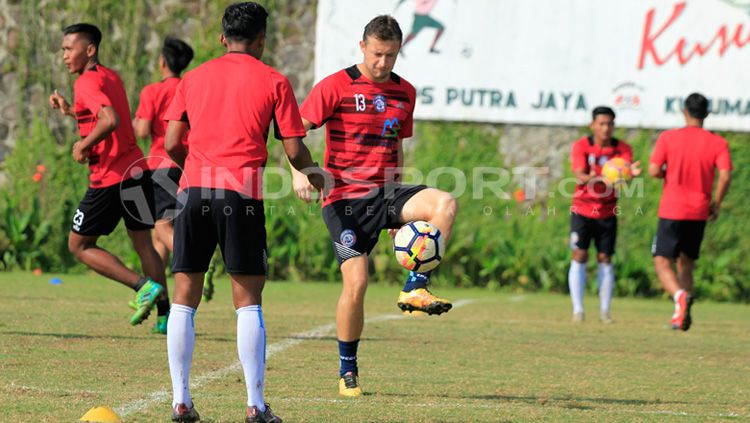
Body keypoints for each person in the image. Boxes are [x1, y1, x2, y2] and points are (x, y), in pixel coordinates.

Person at [163, 3, 324, 422]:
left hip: (193, 192)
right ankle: (254, 405)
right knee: (247, 300)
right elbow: (293, 147)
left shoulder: (193, 78)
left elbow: (171, 142)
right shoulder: (274, 80)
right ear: (262, 40)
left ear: (222, 38)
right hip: (241, 195)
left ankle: (181, 400)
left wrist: (197, 167)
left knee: (184, 297)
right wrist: (313, 173)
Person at [290, 15, 458, 397]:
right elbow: (294, 130)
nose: (383, 63)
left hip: (386, 193)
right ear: (362, 46)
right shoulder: (336, 85)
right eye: (378, 54)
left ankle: (415, 287)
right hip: (343, 199)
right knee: (357, 281)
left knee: (445, 203)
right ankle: (347, 371)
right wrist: (300, 171)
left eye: (392, 55)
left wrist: (400, 215)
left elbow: (397, 146)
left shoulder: (405, 93)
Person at [48, 23, 166, 328]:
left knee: (79, 245)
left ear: (89, 50)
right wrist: (71, 111)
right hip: (137, 170)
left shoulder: (85, 82)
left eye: (69, 49)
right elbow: (103, 114)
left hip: (111, 178)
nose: (64, 55)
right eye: (63, 49)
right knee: (143, 243)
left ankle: (144, 287)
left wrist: (82, 145)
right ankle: (166, 316)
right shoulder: (110, 76)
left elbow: (109, 119)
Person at [649, 93, 732, 331]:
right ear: (706, 114)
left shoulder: (668, 138)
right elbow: (725, 175)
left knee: (662, 262)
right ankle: (680, 315)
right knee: (686, 264)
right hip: (698, 211)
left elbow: (654, 170)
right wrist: (716, 202)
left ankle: (679, 297)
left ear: (685, 112)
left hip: (672, 209)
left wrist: (670, 174)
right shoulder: (718, 143)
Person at [131, 37, 194, 334]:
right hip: (187, 164)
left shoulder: (153, 91)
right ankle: (163, 314)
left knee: (161, 230)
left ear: (162, 62)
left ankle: (195, 259)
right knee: (158, 247)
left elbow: (142, 129)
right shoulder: (190, 87)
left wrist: (131, 122)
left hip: (160, 165)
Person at [568, 106, 641, 324]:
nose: (606, 128)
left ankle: (605, 312)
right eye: (601, 124)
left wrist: (630, 175)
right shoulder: (582, 146)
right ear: (593, 125)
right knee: (579, 255)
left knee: (605, 258)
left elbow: (624, 172)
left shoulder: (622, 149)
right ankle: (578, 310)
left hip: (608, 211)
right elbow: (580, 174)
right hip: (582, 208)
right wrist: (598, 179)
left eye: (610, 123)